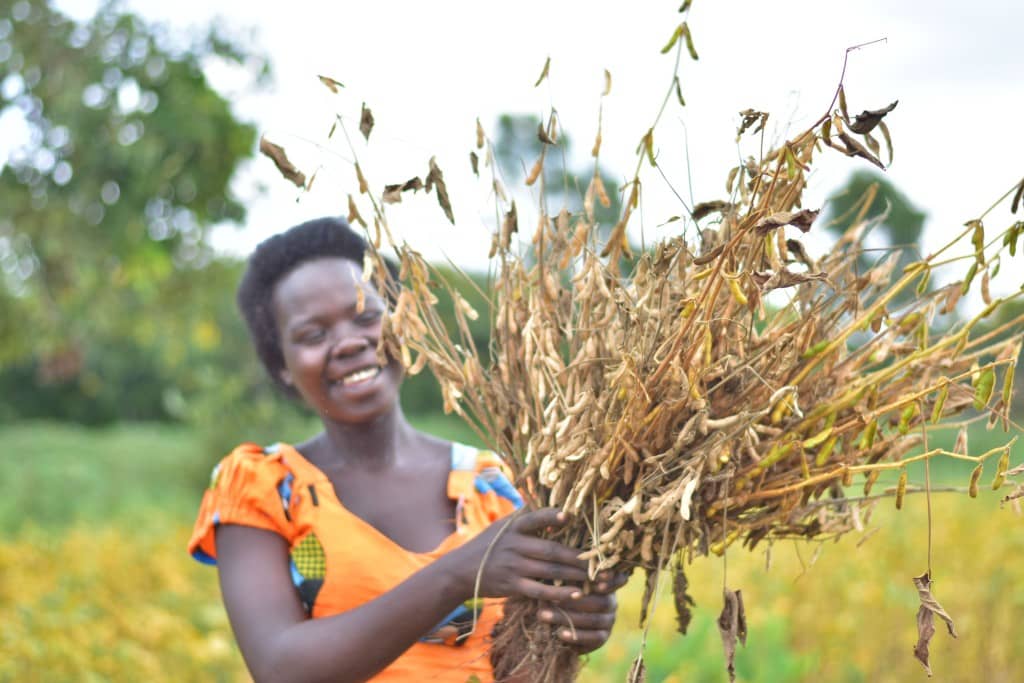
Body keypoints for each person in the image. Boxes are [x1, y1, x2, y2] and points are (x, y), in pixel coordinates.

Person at [187, 217, 624, 682]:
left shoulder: (496, 488)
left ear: (404, 321)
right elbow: (281, 670)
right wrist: (460, 573)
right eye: (314, 335)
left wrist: (573, 625)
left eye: (367, 317)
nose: (350, 343)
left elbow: (520, 661)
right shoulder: (263, 488)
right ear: (282, 368)